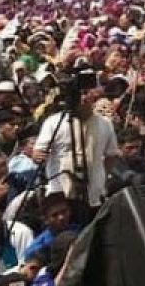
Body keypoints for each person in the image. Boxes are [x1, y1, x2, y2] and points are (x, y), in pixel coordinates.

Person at [33, 79, 120, 212]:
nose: (84, 98)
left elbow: (111, 155)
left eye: (87, 93)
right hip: (61, 194)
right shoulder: (54, 122)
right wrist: (38, 155)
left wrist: (99, 175)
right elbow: (38, 153)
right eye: (79, 94)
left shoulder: (105, 123)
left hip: (94, 194)